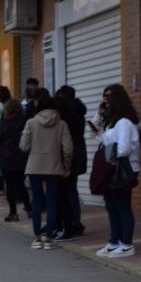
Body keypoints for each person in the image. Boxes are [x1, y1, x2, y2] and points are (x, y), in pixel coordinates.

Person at [19, 89, 72, 250]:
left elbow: (23, 146)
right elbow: (68, 149)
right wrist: (66, 167)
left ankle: (36, 238)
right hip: (54, 167)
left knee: (37, 202)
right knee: (52, 202)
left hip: (35, 166)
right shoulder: (61, 123)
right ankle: (49, 238)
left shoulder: (31, 123)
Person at [96, 84, 141, 258]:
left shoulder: (124, 122)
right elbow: (100, 134)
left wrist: (109, 145)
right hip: (113, 168)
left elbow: (123, 149)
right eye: (104, 96)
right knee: (112, 206)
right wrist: (99, 116)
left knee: (122, 207)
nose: (105, 100)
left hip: (123, 168)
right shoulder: (113, 120)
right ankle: (114, 241)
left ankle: (127, 243)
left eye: (108, 96)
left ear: (117, 98)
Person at [54, 85, 88, 240]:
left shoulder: (67, 115)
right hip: (80, 153)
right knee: (72, 189)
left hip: (70, 155)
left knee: (67, 191)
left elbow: (66, 141)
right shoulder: (79, 112)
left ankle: (71, 223)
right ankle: (76, 222)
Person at [0, 99, 31, 222]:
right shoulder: (24, 122)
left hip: (7, 158)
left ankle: (13, 212)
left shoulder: (5, 123)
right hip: (22, 158)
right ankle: (29, 209)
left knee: (9, 186)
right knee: (21, 184)